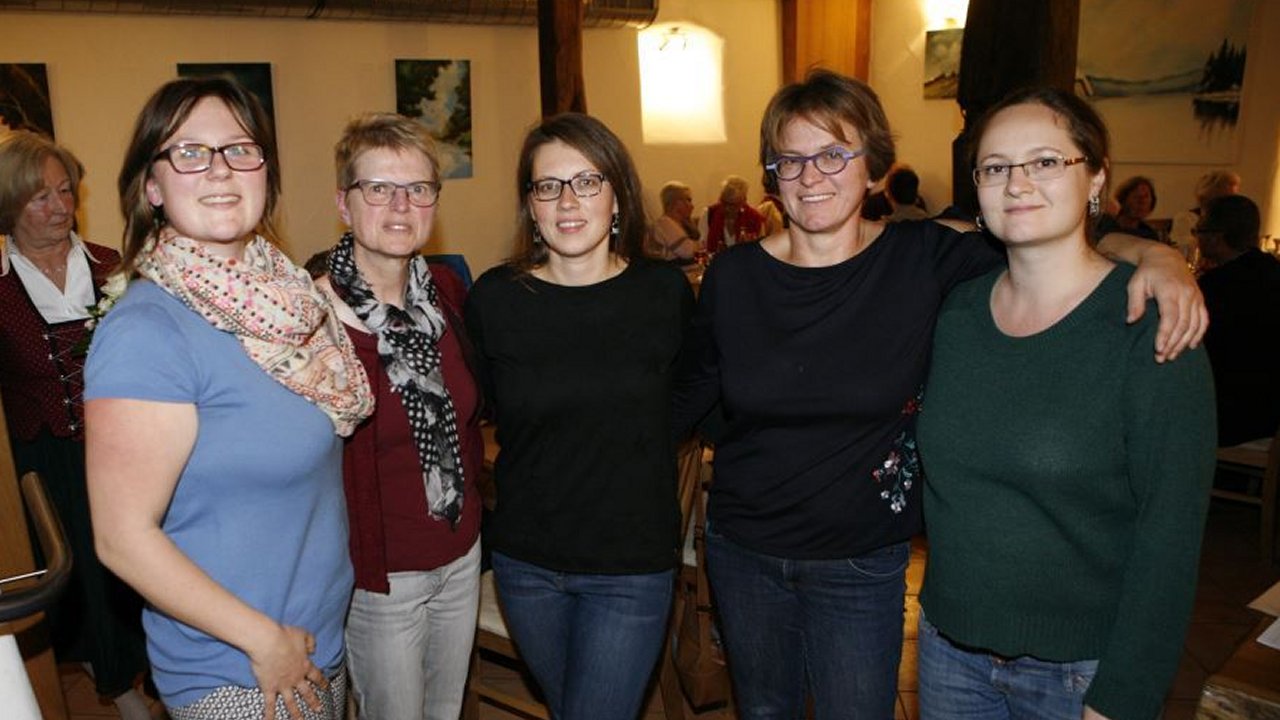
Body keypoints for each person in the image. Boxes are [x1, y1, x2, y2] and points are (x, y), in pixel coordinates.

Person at [672, 69, 1206, 719]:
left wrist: (1155, 257)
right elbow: (696, 393)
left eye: (834, 153)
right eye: (791, 159)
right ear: (772, 175)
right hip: (748, 548)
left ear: (873, 168)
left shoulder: (924, 260)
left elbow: (1047, 240)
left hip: (861, 558)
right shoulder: (735, 276)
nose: (811, 175)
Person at [915, 85, 1216, 720]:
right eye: (995, 167)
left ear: (1096, 178)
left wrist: (1127, 693)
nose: (1017, 183)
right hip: (948, 652)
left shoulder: (1149, 326)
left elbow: (1171, 531)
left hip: (1079, 673)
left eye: (1046, 161)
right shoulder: (958, 312)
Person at [84, 76, 374, 720]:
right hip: (243, 670)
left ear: (265, 172)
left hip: (315, 640)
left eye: (241, 149)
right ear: (152, 186)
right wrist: (263, 642)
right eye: (190, 152)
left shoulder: (289, 302)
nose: (220, 169)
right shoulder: (147, 330)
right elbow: (122, 538)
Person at [464, 112, 694, 720]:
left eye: (587, 181)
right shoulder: (496, 298)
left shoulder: (663, 295)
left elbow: (692, 396)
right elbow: (483, 406)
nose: (567, 201)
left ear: (618, 196)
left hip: (630, 564)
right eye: (549, 185)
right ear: (530, 205)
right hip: (526, 564)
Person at [315, 112, 483, 720]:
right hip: (382, 576)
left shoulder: (446, 290)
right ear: (344, 202)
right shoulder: (313, 317)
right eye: (379, 188)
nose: (400, 205)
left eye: (417, 188)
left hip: (462, 553)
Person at [0, 130, 151, 720]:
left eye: (65, 191)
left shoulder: (114, 266)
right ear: (10, 205)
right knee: (80, 583)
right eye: (41, 197)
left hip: (124, 449)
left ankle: (156, 679)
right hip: (46, 461)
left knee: (138, 569)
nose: (60, 206)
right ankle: (121, 692)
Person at [1196, 193, 1280, 447]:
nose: (1196, 237)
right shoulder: (1273, 271)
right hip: (1271, 412)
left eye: (1199, 231)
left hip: (1233, 418)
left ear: (1217, 237)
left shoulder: (1214, 288)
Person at [1170, 170, 1241, 262]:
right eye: (1228, 198)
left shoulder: (1237, 220)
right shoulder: (1186, 219)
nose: (1234, 203)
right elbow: (1185, 254)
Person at [704, 174, 767, 253]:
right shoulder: (709, 214)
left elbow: (762, 250)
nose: (726, 208)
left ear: (744, 201)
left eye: (732, 205)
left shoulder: (755, 218)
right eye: (724, 202)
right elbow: (701, 247)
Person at [648, 180, 701, 261]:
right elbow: (687, 251)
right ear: (675, 202)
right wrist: (701, 245)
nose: (692, 206)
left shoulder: (684, 224)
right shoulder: (664, 224)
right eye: (688, 200)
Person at [1096, 175, 1161, 242]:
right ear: (1123, 200)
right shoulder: (1105, 224)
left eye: (1146, 197)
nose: (1142, 202)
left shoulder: (1149, 235)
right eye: (1136, 196)